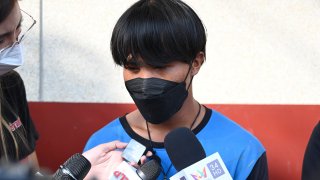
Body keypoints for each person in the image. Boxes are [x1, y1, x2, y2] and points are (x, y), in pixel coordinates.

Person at [84, 0, 268, 179]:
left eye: (160, 66)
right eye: (133, 68)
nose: (145, 80)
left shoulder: (243, 152)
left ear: (195, 63)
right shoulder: (103, 147)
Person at [0, 0, 39, 168]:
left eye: (18, 27)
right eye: (1, 39)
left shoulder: (11, 82)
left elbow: (29, 159)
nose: (15, 43)